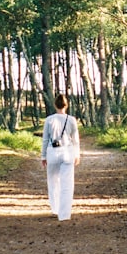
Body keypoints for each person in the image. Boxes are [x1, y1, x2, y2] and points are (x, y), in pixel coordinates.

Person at [40, 93, 81, 221]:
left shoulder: (49, 120)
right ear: (66, 105)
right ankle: (64, 214)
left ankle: (55, 209)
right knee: (67, 184)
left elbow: (45, 139)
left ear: (55, 105)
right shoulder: (71, 119)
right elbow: (75, 140)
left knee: (53, 182)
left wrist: (43, 156)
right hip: (67, 152)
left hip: (52, 152)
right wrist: (77, 154)